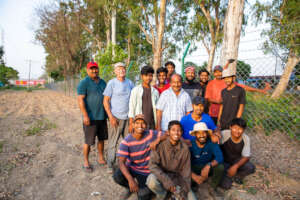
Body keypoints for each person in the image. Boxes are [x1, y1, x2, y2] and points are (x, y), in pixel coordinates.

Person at [113, 114, 163, 200]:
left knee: (143, 197)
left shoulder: (150, 134)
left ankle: (143, 189)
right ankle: (130, 187)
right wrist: (130, 180)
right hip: (133, 168)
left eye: (143, 123)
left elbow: (167, 134)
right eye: (137, 123)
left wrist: (157, 140)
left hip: (146, 172)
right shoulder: (127, 141)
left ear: (146, 126)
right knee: (117, 175)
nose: (140, 125)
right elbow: (121, 162)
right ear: (132, 125)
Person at [147, 121, 197, 200]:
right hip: (163, 177)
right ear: (168, 132)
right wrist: (167, 182)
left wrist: (183, 192)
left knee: (192, 199)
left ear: (181, 133)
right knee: (151, 180)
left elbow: (186, 172)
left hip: (178, 180)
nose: (176, 133)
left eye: (179, 130)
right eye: (173, 130)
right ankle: (162, 194)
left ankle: (174, 195)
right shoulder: (159, 145)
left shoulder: (185, 149)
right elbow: (152, 165)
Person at [103, 62, 134, 172]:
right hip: (116, 118)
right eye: (119, 69)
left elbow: (133, 100)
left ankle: (128, 164)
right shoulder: (112, 83)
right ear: (115, 71)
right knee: (113, 142)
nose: (121, 71)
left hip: (128, 118)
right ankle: (110, 164)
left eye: (123, 69)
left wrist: (132, 119)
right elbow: (105, 101)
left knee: (128, 142)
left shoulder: (130, 83)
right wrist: (111, 116)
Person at [77, 61, 107, 172]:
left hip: (102, 116)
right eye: (91, 69)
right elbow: (80, 100)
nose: (94, 70)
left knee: (102, 139)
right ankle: (86, 161)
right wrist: (85, 116)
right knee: (88, 141)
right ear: (87, 70)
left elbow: (107, 98)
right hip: (90, 118)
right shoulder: (84, 83)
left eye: (96, 68)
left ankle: (100, 157)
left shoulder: (103, 82)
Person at [220, 118, 255, 190]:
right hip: (223, 160)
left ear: (244, 130)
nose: (237, 131)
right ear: (230, 127)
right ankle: (227, 175)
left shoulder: (246, 138)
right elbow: (215, 147)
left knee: (250, 167)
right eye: (235, 128)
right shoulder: (224, 134)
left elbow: (246, 156)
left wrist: (235, 166)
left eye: (240, 129)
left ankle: (236, 176)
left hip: (235, 160)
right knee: (225, 185)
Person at [189, 122, 224, 191]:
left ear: (207, 133)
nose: (201, 135)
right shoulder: (190, 144)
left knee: (220, 167)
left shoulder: (211, 142)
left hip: (207, 166)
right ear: (195, 134)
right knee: (186, 176)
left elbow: (220, 157)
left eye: (204, 133)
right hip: (194, 167)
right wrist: (194, 176)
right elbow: (184, 165)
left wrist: (208, 165)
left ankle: (213, 187)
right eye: (198, 133)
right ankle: (194, 184)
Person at [128, 66, 159, 132]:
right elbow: (132, 107)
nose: (148, 78)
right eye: (146, 75)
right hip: (139, 124)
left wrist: (157, 124)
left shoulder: (155, 91)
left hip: (152, 123)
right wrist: (131, 123)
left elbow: (157, 109)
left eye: (151, 76)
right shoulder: (136, 90)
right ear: (142, 76)